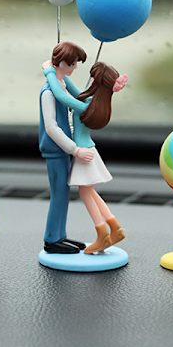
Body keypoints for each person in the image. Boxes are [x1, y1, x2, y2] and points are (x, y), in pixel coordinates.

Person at [42, 59, 128, 254]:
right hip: (88, 150)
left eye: (92, 78)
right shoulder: (93, 101)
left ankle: (102, 233)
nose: (89, 80)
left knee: (85, 193)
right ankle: (115, 228)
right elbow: (74, 91)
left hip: (83, 153)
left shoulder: (88, 105)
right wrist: (60, 74)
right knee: (91, 192)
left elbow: (62, 97)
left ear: (97, 82)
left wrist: (49, 72)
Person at [39, 41, 94, 254]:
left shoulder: (61, 83)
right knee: (59, 194)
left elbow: (80, 96)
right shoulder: (49, 92)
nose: (74, 67)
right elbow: (51, 128)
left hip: (63, 149)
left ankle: (59, 235)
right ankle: (51, 239)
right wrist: (75, 149)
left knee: (63, 193)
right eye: (72, 63)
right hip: (55, 150)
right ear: (61, 62)